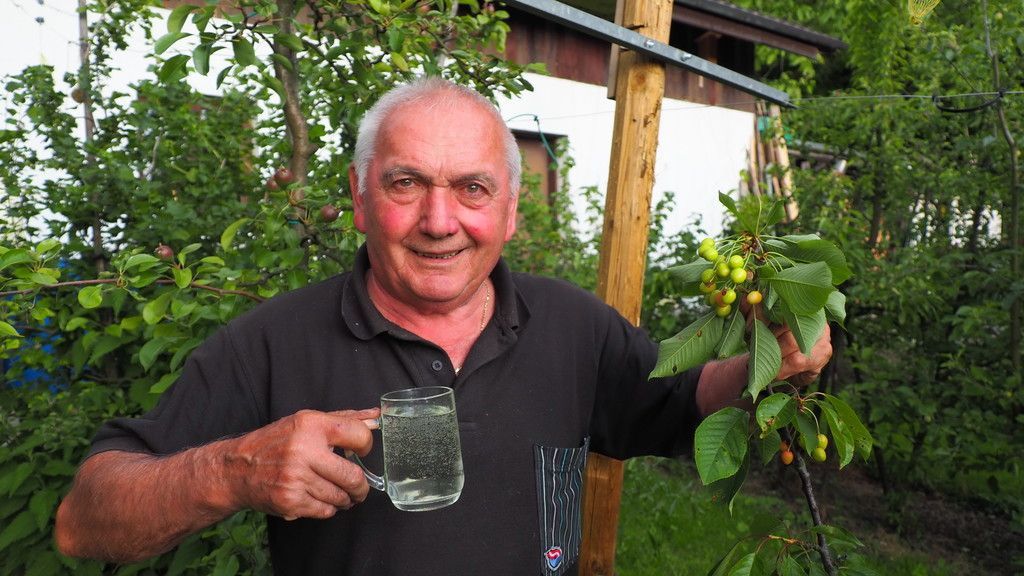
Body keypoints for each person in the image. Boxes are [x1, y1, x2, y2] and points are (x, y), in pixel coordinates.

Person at [54, 77, 831, 575]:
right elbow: (82, 522)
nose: (439, 220)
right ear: (359, 199)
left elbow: (682, 402)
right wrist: (233, 471)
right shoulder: (271, 342)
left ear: (511, 210)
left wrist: (776, 361)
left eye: (471, 187)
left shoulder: (572, 326)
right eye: (406, 183)